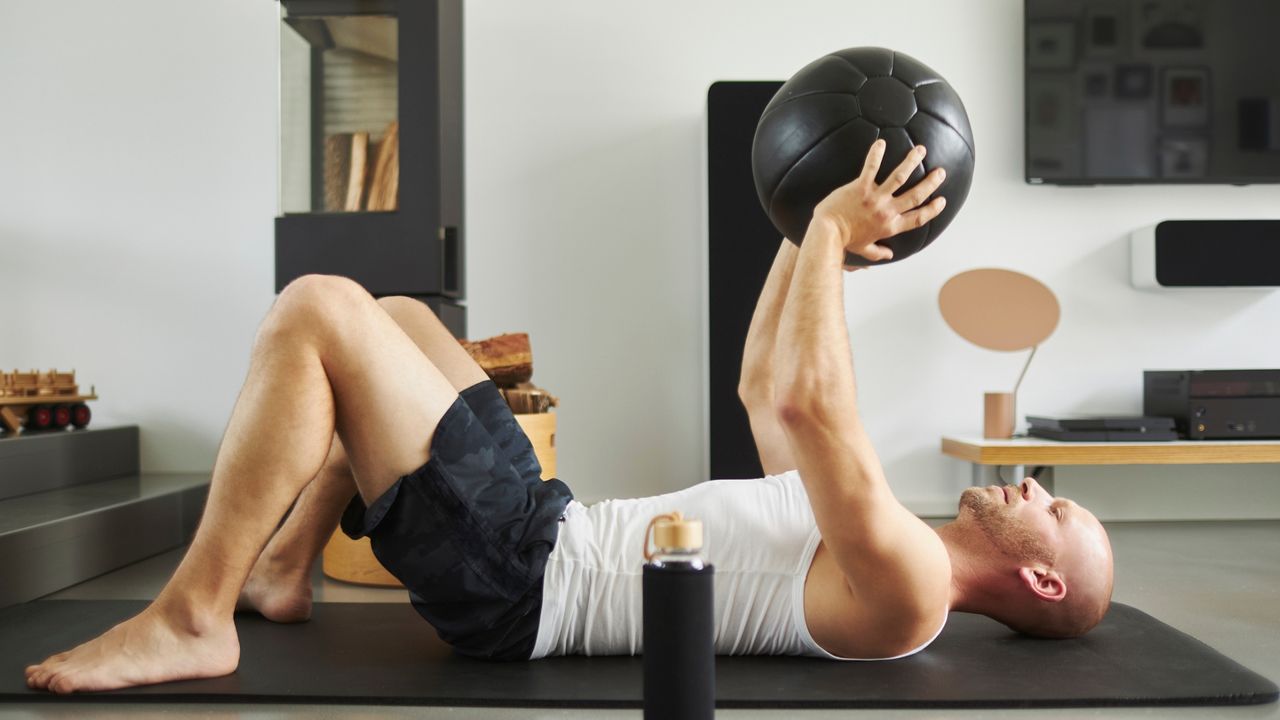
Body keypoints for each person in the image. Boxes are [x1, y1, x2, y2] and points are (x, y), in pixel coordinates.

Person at [25, 139, 1113, 694]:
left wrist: (829, 233)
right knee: (401, 317)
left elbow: (805, 397)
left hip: (518, 582)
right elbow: (760, 385)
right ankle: (280, 569)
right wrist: (800, 221)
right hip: (543, 526)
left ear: (1040, 582)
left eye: (1055, 518)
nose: (1035, 490)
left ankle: (193, 616)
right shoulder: (876, 547)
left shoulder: (909, 586)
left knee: (318, 308)